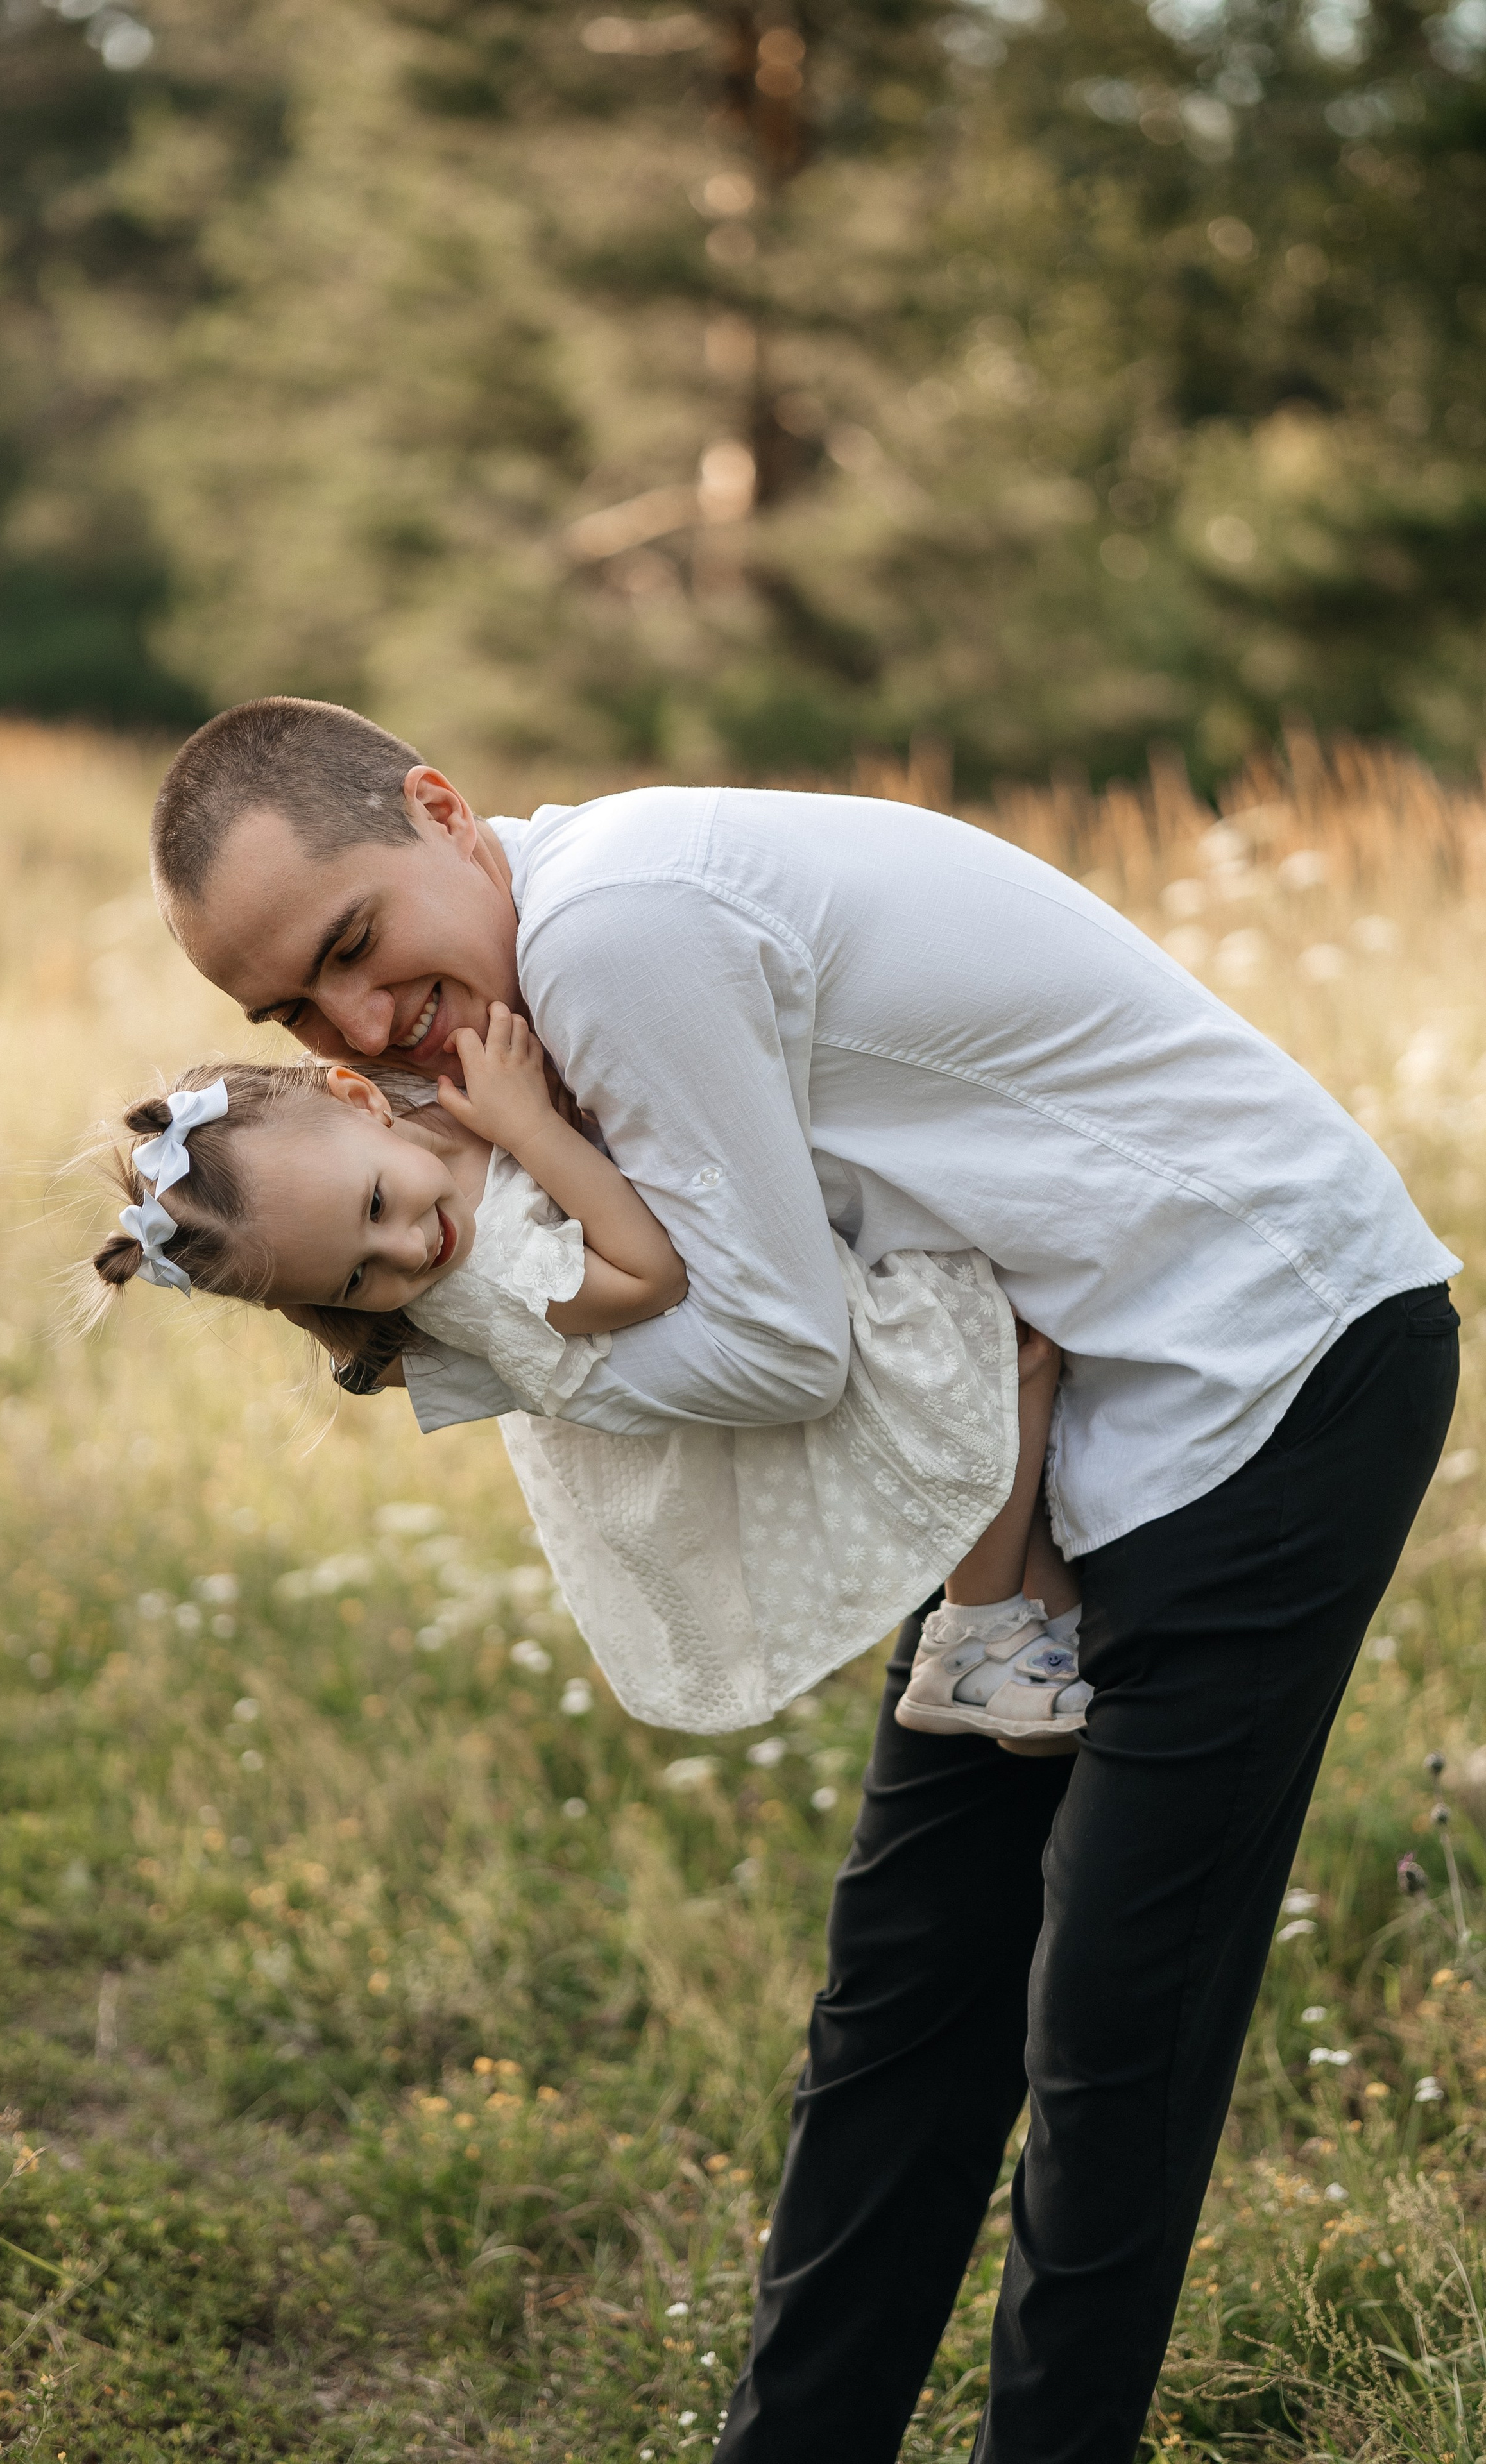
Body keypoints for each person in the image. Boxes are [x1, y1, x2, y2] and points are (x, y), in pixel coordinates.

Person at [146, 695, 1459, 2464]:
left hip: (1262, 1361)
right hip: (1048, 1421)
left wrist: (498, 1337)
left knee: (1114, 2026)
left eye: (354, 943)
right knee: (906, 1990)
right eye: (297, 1012)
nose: (361, 1026)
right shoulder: (516, 1012)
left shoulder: (617, 928)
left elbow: (774, 1350)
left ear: (443, 812)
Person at [87, 1005, 1087, 1745]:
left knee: (996, 1383)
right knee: (1006, 1353)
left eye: (378, 1205)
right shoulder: (484, 1281)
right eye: (359, 1278)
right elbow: (649, 1275)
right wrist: (531, 1127)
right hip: (725, 1385)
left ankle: (1026, 1642)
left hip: (755, 1305)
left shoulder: (406, 1101)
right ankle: (978, 1629)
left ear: (359, 1099)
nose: (408, 1249)